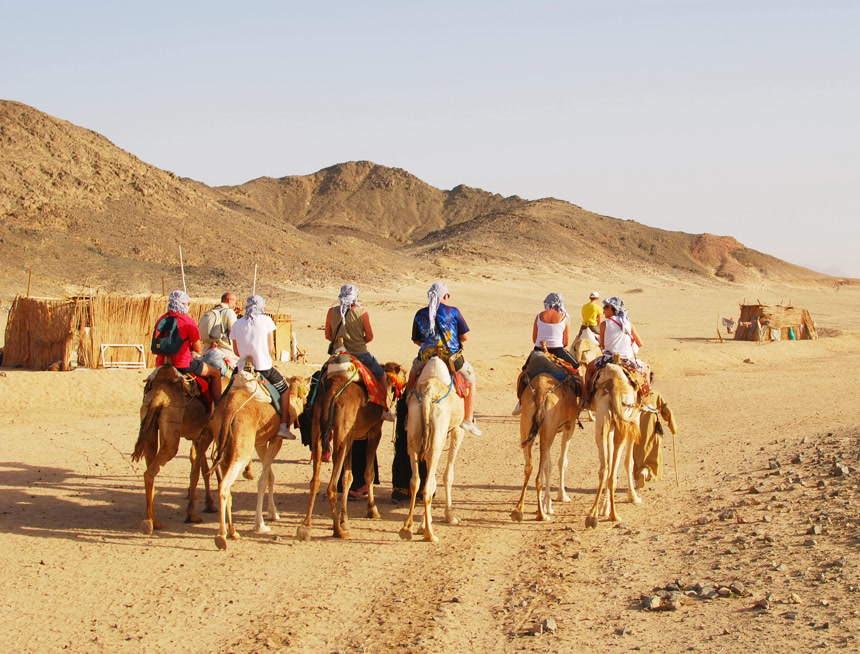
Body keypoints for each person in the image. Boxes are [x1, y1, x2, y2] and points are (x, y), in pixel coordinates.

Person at [410, 282, 481, 435]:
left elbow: (416, 340)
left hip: (426, 358)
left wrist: (430, 344)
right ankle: (468, 419)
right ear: (444, 296)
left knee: (412, 373)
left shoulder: (420, 314)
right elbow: (465, 337)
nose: (447, 298)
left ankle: (406, 412)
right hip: (451, 359)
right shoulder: (453, 312)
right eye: (447, 296)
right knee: (471, 379)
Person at [324, 284, 394, 422]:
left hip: (338, 355)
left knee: (319, 379)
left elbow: (328, 335)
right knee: (382, 376)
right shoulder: (362, 312)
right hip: (360, 355)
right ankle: (385, 410)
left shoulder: (331, 311)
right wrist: (357, 343)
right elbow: (370, 336)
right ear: (355, 296)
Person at [230, 295, 295, 439]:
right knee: (284, 390)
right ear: (261, 307)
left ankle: (215, 413)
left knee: (227, 390)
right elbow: (270, 347)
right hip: (262, 366)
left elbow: (236, 351)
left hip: (242, 368)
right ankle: (283, 426)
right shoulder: (266, 321)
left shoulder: (237, 323)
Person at [512, 292, 580, 415]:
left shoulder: (539, 316)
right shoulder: (564, 317)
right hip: (557, 350)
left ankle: (520, 402)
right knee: (578, 369)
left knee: (523, 372)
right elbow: (565, 342)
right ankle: (583, 399)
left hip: (538, 349)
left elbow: (534, 338)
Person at [579, 296, 647, 409]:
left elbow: (603, 346)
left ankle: (586, 398)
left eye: (605, 308)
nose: (603, 311)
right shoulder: (628, 323)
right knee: (647, 371)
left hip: (609, 359)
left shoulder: (604, 324)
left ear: (610, 308)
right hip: (628, 360)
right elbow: (640, 343)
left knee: (589, 369)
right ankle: (645, 399)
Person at [154, 290, 222, 402]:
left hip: (161, 363)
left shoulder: (161, 320)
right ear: (182, 304)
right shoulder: (187, 321)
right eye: (186, 303)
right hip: (182, 364)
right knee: (215, 373)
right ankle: (218, 408)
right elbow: (198, 348)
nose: (188, 305)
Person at [198, 292, 239, 374]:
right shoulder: (229, 312)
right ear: (229, 300)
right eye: (234, 302)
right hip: (224, 354)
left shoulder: (211, 312)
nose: (235, 305)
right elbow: (233, 334)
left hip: (207, 352)